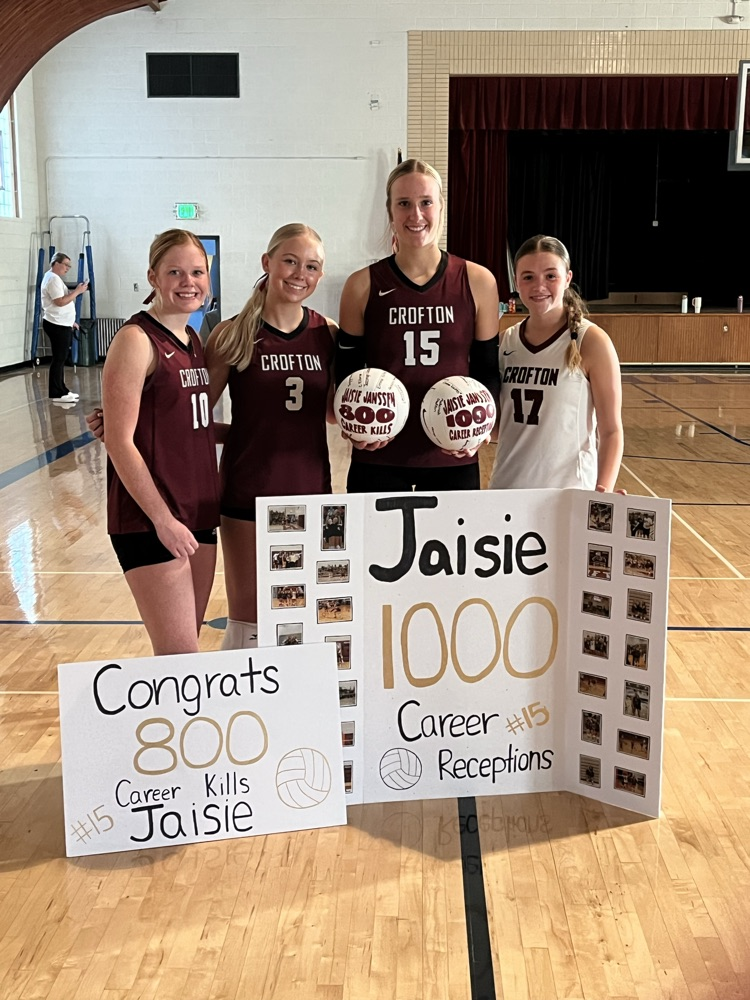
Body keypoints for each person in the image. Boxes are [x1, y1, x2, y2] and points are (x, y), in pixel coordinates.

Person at [205, 223, 336, 650]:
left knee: (304, 614)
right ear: (268, 262)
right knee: (248, 620)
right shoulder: (232, 334)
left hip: (311, 493)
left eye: (311, 266)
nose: (300, 273)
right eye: (290, 261)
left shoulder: (328, 334)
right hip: (248, 493)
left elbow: (338, 413)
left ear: (320, 275)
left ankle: (301, 713)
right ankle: (241, 713)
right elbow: (194, 417)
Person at [336, 158, 500, 493]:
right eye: (404, 204)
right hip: (378, 456)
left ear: (441, 206)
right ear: (390, 211)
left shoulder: (477, 280)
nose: (416, 215)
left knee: (451, 548)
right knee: (375, 547)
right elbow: (347, 370)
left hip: (452, 455)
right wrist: (351, 421)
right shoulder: (361, 285)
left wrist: (482, 428)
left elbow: (487, 369)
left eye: (426, 202)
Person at [102, 229, 221, 655]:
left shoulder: (193, 341)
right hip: (152, 519)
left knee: (184, 658)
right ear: (153, 276)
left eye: (197, 272)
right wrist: (162, 519)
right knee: (179, 659)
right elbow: (119, 441)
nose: (188, 282)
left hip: (199, 513)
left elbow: (190, 425)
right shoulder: (136, 340)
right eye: (175, 272)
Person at [488, 235, 623, 493]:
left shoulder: (591, 342)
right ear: (516, 282)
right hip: (507, 492)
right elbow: (502, 428)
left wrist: (603, 491)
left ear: (568, 278)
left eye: (551, 276)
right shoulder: (505, 343)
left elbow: (611, 431)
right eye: (528, 277)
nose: (539, 286)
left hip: (569, 495)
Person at [41, 252, 89, 403]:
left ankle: (62, 390)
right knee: (59, 359)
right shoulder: (52, 279)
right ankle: (56, 392)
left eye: (69, 266)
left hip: (62, 323)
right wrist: (78, 292)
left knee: (60, 359)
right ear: (56, 263)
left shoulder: (55, 278)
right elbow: (60, 302)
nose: (68, 268)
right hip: (56, 324)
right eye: (66, 265)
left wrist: (71, 322)